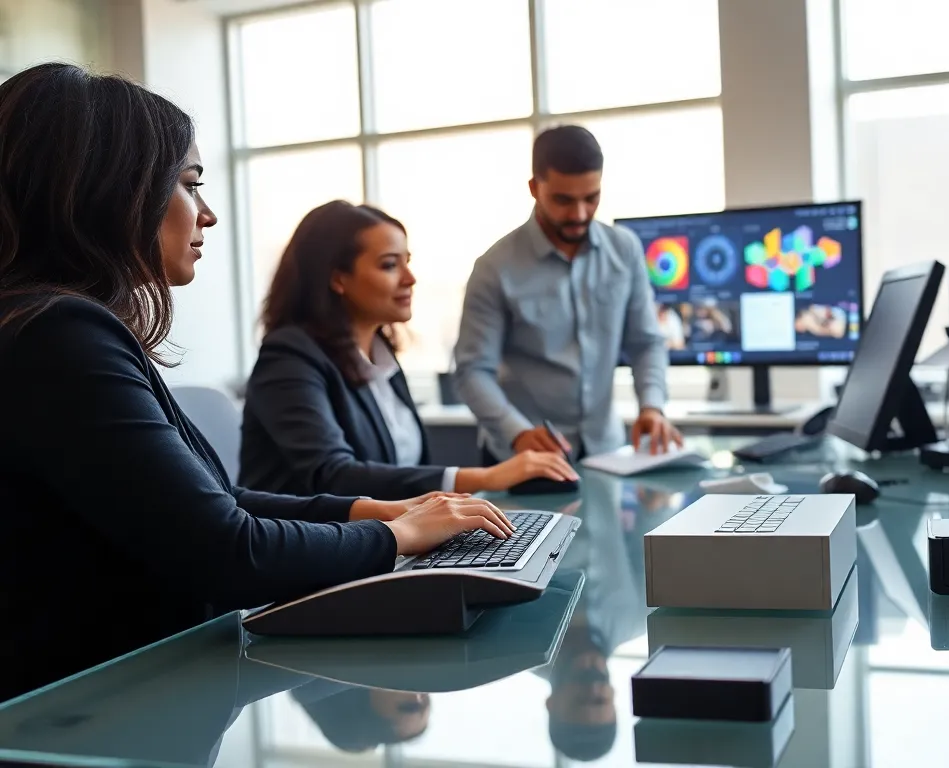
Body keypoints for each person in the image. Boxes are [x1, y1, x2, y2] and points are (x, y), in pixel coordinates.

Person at [0, 63, 514, 703]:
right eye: (190, 185)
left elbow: (215, 501)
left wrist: (372, 513)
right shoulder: (60, 337)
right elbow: (226, 549)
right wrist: (394, 538)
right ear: (112, 191)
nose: (207, 215)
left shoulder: (49, 326)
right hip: (95, 706)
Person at [240, 200, 577, 500]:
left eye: (407, 261)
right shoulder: (288, 358)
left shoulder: (380, 356)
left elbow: (395, 472)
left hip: (384, 544)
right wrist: (485, 477)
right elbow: (334, 476)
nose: (410, 278)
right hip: (313, 559)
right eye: (390, 265)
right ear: (338, 279)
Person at [454, 125, 684, 463]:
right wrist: (517, 431)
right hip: (520, 456)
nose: (578, 214)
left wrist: (652, 405)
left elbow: (646, 342)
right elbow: (472, 371)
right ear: (534, 188)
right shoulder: (494, 267)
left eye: (591, 198)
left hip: (604, 450)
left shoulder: (625, 250)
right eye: (563, 200)